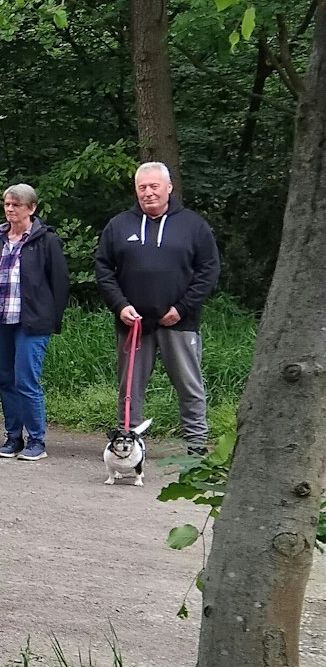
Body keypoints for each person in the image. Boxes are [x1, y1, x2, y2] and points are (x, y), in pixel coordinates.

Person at [95, 161, 220, 454]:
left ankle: (197, 446)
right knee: (129, 389)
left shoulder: (193, 225)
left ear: (168, 188)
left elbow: (208, 270)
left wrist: (183, 307)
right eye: (142, 187)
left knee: (190, 385)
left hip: (179, 320)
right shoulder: (119, 225)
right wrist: (120, 305)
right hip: (133, 323)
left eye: (154, 186)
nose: (148, 193)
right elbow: (103, 269)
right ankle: (128, 445)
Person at [0, 183, 70, 460]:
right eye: (7, 204)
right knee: (6, 379)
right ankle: (12, 437)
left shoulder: (46, 240)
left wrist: (51, 319)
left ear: (31, 208)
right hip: (1, 319)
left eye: (16, 205)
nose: (10, 209)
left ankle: (36, 440)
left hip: (32, 322)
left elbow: (60, 284)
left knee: (26, 380)